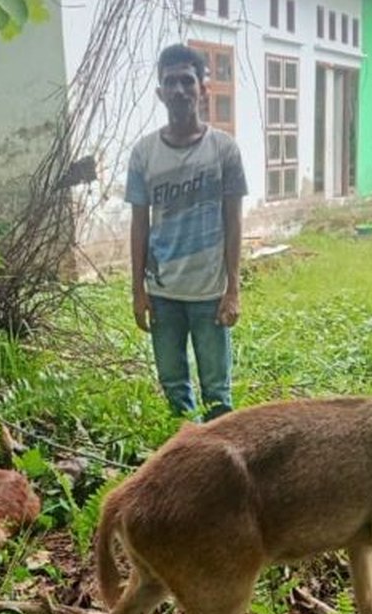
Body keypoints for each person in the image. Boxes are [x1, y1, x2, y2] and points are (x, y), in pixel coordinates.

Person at [126, 44, 247, 422]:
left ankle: (223, 471)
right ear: (160, 93)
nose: (178, 89)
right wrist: (137, 290)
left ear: (202, 89)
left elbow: (234, 221)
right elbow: (139, 224)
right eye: (169, 82)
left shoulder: (224, 150)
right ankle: (188, 463)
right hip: (162, 295)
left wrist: (233, 289)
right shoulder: (143, 154)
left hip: (209, 295)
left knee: (217, 395)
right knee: (175, 388)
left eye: (186, 80)